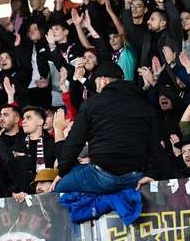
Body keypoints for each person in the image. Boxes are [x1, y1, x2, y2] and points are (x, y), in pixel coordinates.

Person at [54, 62, 164, 194]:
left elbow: (74, 142)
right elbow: (155, 142)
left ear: (103, 81)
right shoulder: (144, 104)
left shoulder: (92, 104)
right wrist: (152, 173)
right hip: (135, 176)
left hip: (101, 176)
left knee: (58, 189)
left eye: (96, 83)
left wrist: (61, 173)